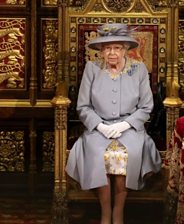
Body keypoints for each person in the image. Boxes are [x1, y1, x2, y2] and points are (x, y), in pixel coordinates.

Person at [65, 23, 162, 224]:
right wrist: (100, 126)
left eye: (117, 48)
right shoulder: (92, 69)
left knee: (125, 156)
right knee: (97, 154)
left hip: (131, 129)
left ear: (125, 49)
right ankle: (105, 212)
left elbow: (146, 107)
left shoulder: (138, 69)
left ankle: (118, 212)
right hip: (97, 129)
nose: (112, 53)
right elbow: (83, 107)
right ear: (100, 50)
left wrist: (124, 125)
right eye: (107, 48)